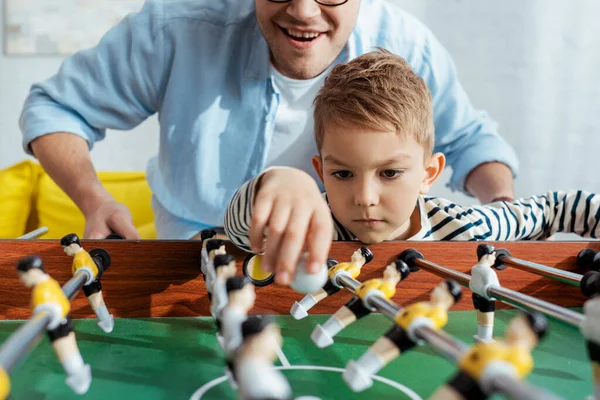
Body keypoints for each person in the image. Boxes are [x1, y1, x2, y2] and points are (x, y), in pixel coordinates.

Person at [20, 0, 517, 284]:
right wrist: (93, 198)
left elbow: (471, 140)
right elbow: (54, 109)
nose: (303, 11)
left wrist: (502, 211)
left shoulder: (408, 47)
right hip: (186, 269)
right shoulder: (175, 26)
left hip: (354, 274)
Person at [225, 49, 600, 286]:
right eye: (342, 173)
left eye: (389, 173)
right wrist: (275, 182)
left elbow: (555, 208)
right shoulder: (309, 224)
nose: (365, 198)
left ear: (428, 174)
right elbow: (240, 234)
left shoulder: (466, 227)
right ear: (320, 171)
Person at [343, 279, 462, 392]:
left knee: (383, 354)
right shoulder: (426, 305)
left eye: (441, 288)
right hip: (400, 326)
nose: (436, 288)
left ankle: (364, 372)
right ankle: (359, 368)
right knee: (377, 348)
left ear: (448, 297)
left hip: (408, 335)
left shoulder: (439, 313)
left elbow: (430, 323)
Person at [16, 256, 92, 394]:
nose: (22, 280)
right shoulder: (49, 283)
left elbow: (51, 306)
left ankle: (80, 382)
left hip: (58, 324)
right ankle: (80, 379)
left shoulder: (43, 289)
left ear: (32, 272)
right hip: (62, 320)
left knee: (66, 354)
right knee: (69, 352)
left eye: (23, 276)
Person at [429, 312, 548, 400]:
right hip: (461, 378)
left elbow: (507, 377)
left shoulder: (521, 357)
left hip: (471, 389)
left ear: (531, 335)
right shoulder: (499, 342)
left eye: (522, 323)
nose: (514, 324)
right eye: (517, 320)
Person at [60, 233, 114, 333]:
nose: (64, 251)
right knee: (98, 303)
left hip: (90, 284)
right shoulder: (83, 254)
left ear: (72, 246)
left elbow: (86, 271)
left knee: (96, 304)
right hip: (92, 283)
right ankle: (106, 322)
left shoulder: (80, 258)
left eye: (65, 248)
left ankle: (107, 324)